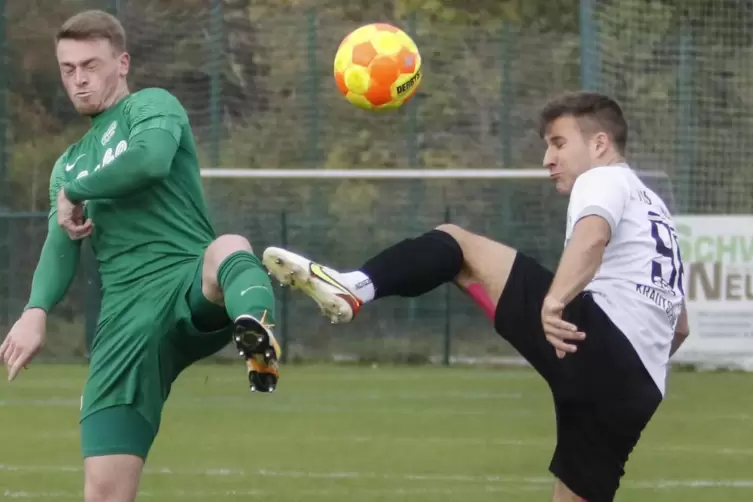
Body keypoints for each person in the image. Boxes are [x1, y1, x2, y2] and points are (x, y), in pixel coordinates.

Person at [262, 91, 691, 502]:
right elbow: (681, 326)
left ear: (600, 143)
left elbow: (591, 236)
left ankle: (355, 287)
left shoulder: (602, 178)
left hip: (599, 343)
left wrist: (555, 300)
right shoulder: (655, 209)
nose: (548, 159)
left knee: (456, 245)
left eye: (558, 143)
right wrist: (615, 375)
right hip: (640, 387)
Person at [0, 10, 280, 502]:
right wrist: (35, 311)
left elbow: (149, 161)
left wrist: (77, 189)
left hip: (184, 284)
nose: (79, 79)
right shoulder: (68, 163)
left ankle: (257, 335)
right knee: (104, 493)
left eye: (91, 64)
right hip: (125, 324)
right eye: (68, 69)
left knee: (229, 248)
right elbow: (60, 244)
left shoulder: (153, 106)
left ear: (122, 62)